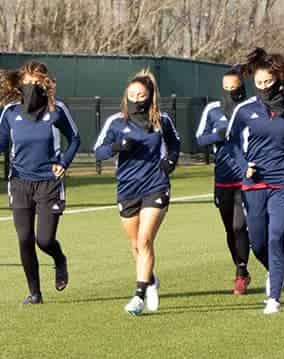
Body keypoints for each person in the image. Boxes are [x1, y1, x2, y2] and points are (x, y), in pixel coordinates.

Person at [226, 48, 284, 315]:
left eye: (268, 82)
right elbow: (231, 146)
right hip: (254, 183)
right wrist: (244, 167)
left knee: (276, 238)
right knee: (258, 243)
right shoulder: (244, 111)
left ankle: (274, 296)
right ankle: (276, 270)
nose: (263, 88)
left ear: (279, 80)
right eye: (259, 83)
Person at [94, 70, 180, 316]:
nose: (135, 99)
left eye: (141, 95)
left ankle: (139, 296)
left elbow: (175, 143)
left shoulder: (162, 120)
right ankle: (151, 280)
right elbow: (98, 151)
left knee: (144, 240)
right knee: (135, 245)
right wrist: (116, 147)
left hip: (156, 185)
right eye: (131, 95)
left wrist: (171, 161)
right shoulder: (116, 122)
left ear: (150, 96)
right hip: (127, 188)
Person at [0, 62, 80, 305]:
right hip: (20, 182)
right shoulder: (10, 113)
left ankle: (59, 260)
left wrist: (64, 162)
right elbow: (2, 143)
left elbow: (75, 138)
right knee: (24, 238)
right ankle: (35, 293)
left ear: (45, 84)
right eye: (27, 83)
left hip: (49, 183)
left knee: (43, 240)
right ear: (19, 84)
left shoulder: (57, 110)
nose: (32, 88)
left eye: (37, 83)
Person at [196, 65, 266, 295]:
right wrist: (217, 135)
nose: (229, 93)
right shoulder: (213, 110)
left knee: (240, 225)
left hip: (248, 176)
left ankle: (242, 272)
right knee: (230, 228)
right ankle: (241, 269)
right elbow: (200, 138)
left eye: (234, 88)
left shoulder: (252, 108)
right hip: (223, 176)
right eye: (226, 88)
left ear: (242, 88)